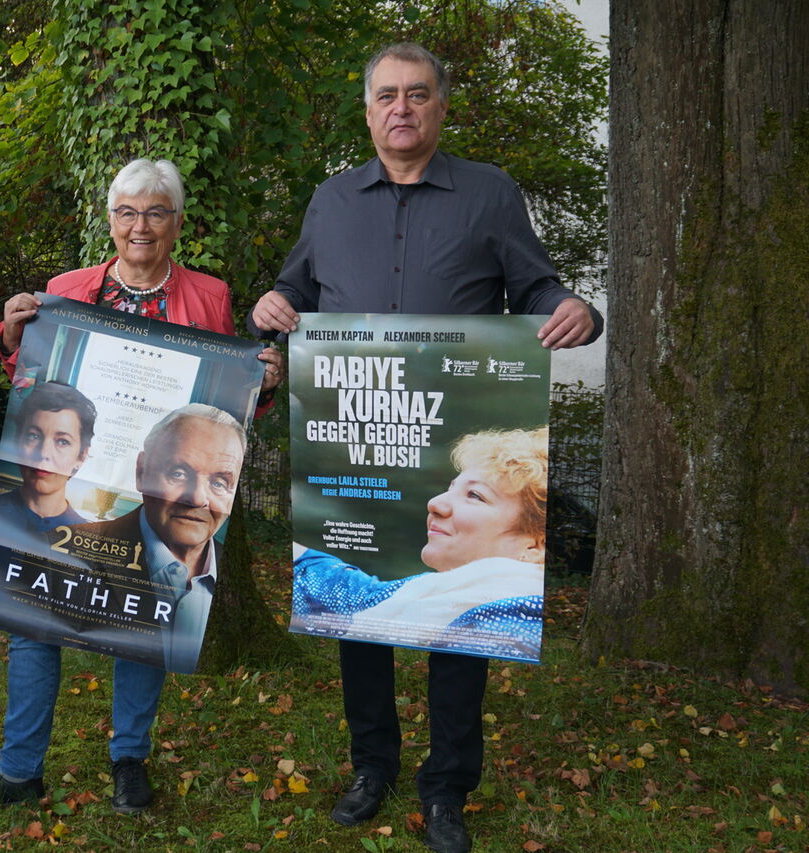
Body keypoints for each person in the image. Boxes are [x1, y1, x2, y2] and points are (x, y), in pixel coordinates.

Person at [249, 44, 603, 853]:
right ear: (367, 110)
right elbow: (294, 292)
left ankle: (447, 786)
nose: (400, 109)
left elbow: (538, 287)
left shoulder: (490, 195)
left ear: (441, 107)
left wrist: (576, 307)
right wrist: (273, 305)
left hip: (437, 437)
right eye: (385, 96)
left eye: (416, 94)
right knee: (359, 617)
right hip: (354, 438)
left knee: (460, 619)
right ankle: (371, 766)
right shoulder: (331, 201)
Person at [0, 158, 282, 818]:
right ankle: (20, 769)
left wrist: (261, 386)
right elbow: (37, 379)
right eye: (127, 211)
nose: (141, 226)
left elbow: (222, 406)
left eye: (156, 212)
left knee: (144, 622)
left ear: (177, 223)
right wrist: (12, 336)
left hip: (156, 494)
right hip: (77, 487)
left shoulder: (208, 296)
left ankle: (129, 759)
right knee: (31, 619)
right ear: (109, 220)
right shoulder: (67, 286)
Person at [293, 427, 549, 662]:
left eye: (474, 495)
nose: (435, 503)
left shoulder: (514, 620)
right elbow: (361, 598)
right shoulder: (440, 592)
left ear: (534, 546)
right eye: (450, 488)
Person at [67, 404, 246, 672]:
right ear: (141, 472)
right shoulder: (68, 548)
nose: (197, 498)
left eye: (219, 482)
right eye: (178, 473)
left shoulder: (234, 573)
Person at [0, 381, 97, 547]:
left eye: (62, 441)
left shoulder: (88, 540)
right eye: (34, 436)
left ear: (81, 456)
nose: (43, 454)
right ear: (17, 441)